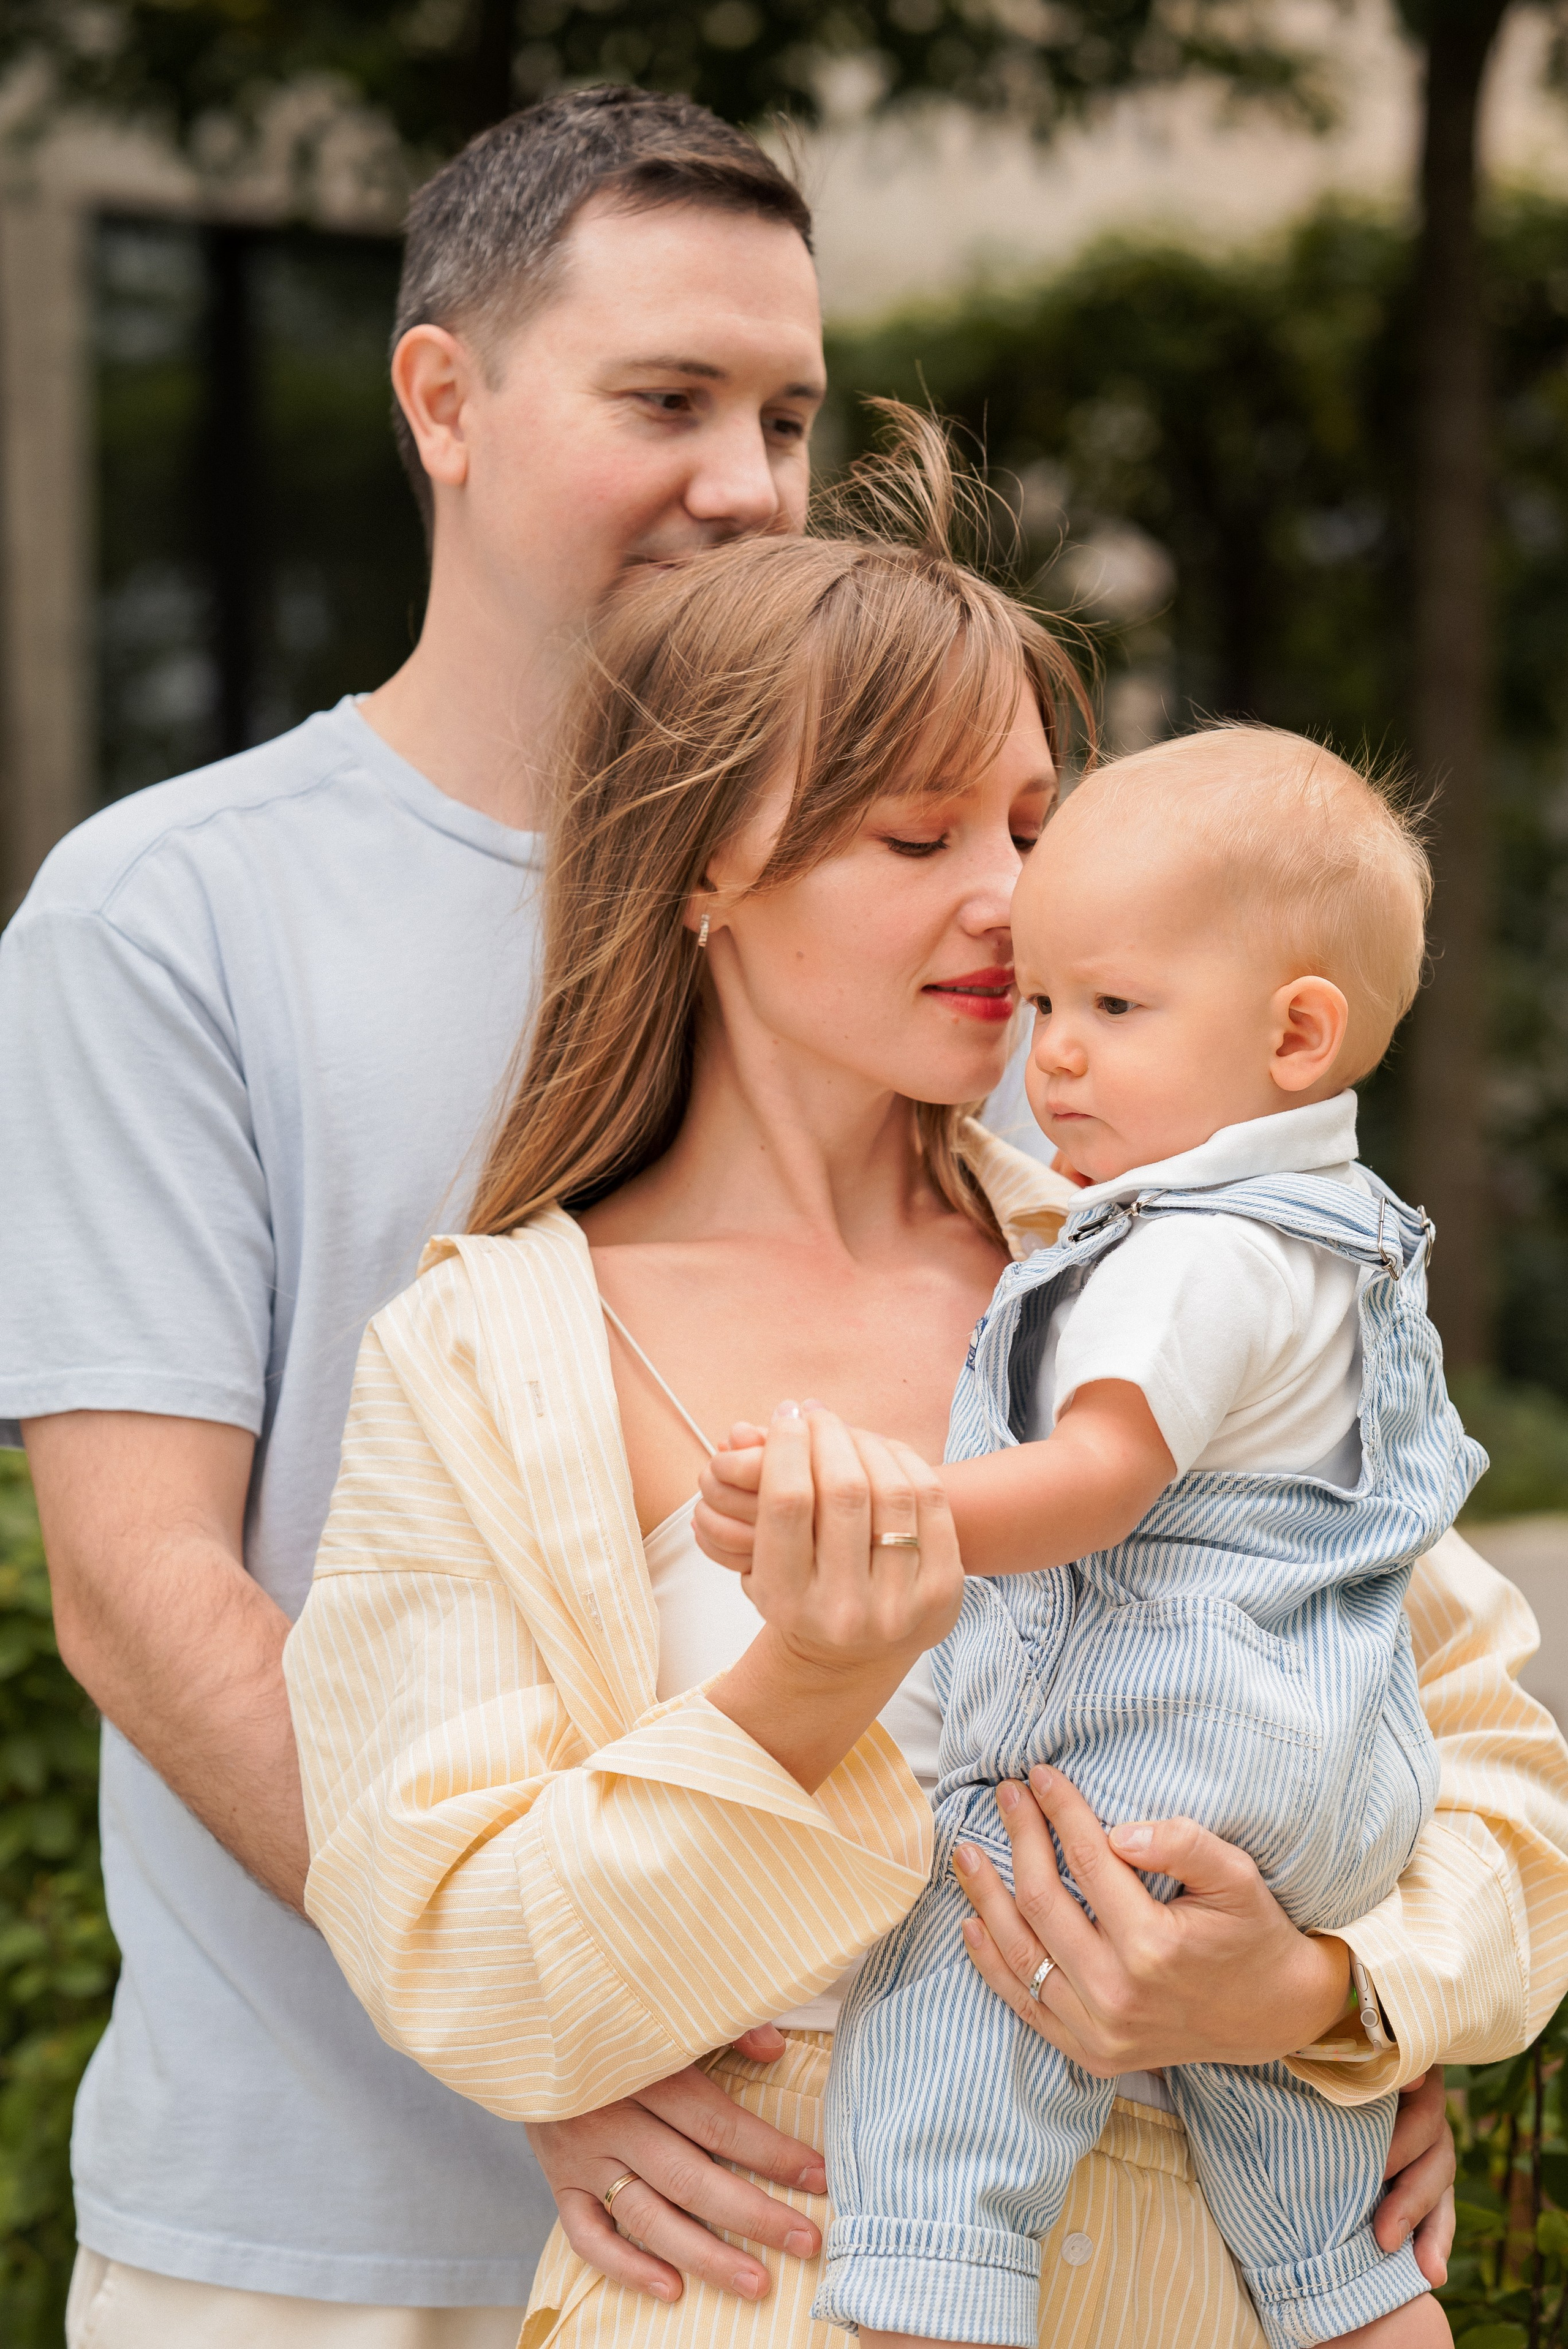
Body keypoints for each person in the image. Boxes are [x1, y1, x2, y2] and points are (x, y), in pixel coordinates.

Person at [282, 420, 1568, 2349]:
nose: (1013, 903)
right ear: (704, 866)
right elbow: (460, 1958)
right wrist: (801, 1688)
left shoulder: (1183, 1267)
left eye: (1039, 829)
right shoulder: (484, 1358)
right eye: (920, 835)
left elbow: (1489, 1765)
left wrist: (1313, 1997)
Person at [0, 86, 840, 2347]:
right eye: (667, 398)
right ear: (442, 399)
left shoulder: (879, 907)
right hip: (311, 2244)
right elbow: (140, 1580)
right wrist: (539, 2022)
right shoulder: (173, 913)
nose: (749, 483)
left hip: (818, 2241)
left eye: (787, 412)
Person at [702, 726, 1473, 2347]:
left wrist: (882, 1513)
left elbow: (1102, 1476)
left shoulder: (1189, 1251)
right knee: (1318, 2201)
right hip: (1313, 1794)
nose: (1052, 1054)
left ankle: (919, 2302)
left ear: (1296, 1034)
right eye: (1047, 1006)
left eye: (1114, 1009)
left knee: (960, 1961)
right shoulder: (1337, 1235)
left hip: (1162, 1759)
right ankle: (1366, 2306)